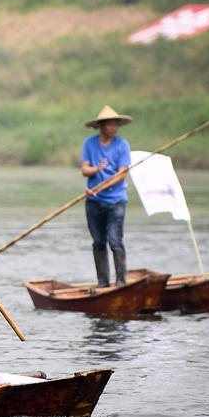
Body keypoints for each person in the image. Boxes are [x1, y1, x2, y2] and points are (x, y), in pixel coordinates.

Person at [81, 105, 132, 288]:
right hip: (93, 201)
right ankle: (103, 283)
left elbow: (121, 174)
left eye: (116, 124)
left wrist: (100, 187)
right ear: (101, 126)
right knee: (98, 242)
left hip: (116, 201)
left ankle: (120, 282)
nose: (113, 127)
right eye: (110, 124)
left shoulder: (122, 145)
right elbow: (84, 169)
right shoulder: (89, 144)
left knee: (115, 239)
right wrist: (95, 170)